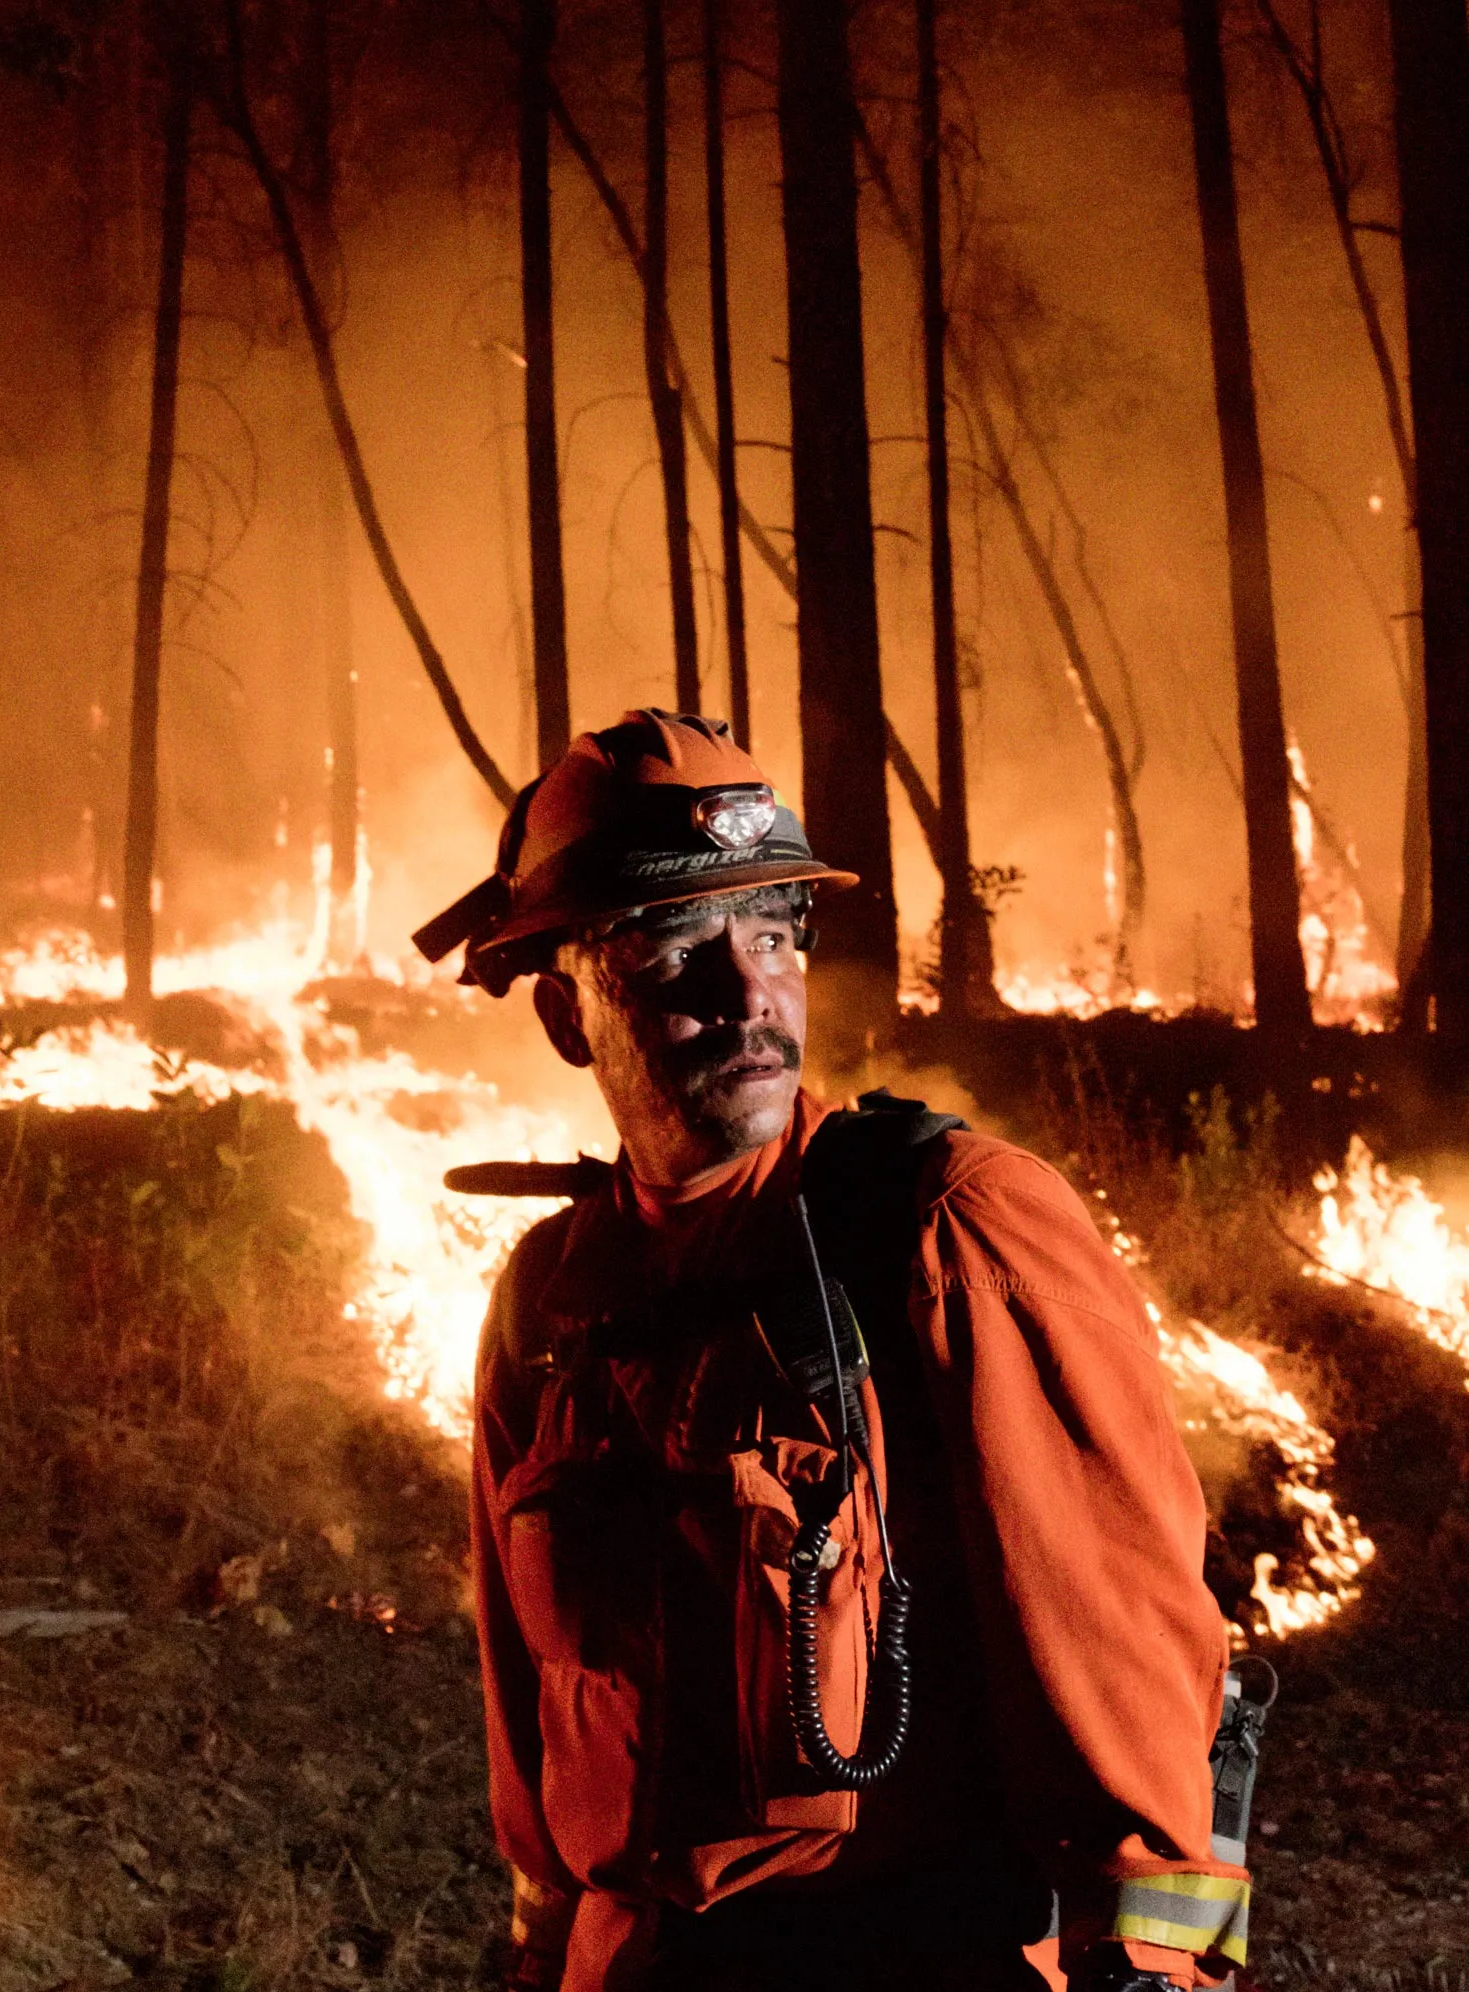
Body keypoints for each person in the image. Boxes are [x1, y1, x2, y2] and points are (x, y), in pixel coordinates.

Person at [416, 710, 1249, 1992]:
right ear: (566, 1014)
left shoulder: (940, 1227)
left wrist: (1149, 1964)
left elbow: (1119, 1643)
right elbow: (526, 1716)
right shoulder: (550, 1302)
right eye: (674, 946)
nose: (746, 990)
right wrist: (541, 1955)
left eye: (771, 935)